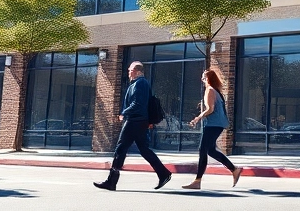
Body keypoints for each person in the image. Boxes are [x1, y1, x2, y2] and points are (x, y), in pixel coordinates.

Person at [94, 61, 171, 191]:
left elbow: (137, 104)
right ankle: (164, 174)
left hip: (134, 121)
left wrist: (123, 113)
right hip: (139, 121)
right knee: (144, 149)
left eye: (130, 70)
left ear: (136, 71)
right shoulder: (139, 84)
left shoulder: (140, 84)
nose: (128, 72)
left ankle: (111, 182)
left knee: (120, 148)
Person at [181, 68, 241, 190]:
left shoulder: (209, 90)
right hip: (218, 124)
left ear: (208, 79)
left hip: (213, 124)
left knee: (202, 150)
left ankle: (197, 181)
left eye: (203, 78)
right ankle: (234, 170)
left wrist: (198, 118)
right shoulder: (216, 91)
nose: (202, 80)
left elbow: (210, 109)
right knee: (210, 150)